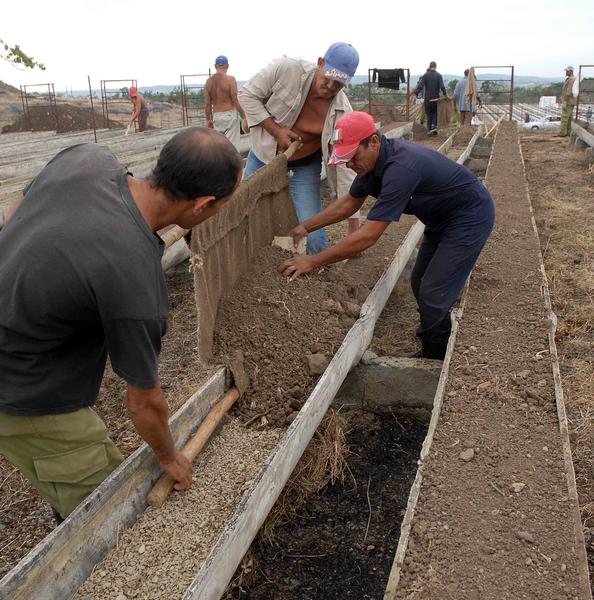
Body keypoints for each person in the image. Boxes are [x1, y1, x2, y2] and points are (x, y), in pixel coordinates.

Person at [0, 127, 242, 521]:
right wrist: (170, 457)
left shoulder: (88, 158)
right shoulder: (134, 279)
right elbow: (143, 403)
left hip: (18, 333)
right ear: (203, 205)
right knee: (102, 506)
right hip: (20, 383)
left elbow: (15, 209)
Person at [279, 111, 495, 360]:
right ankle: (434, 339)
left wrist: (313, 261)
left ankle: (437, 357)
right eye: (345, 160)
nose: (350, 165)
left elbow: (368, 236)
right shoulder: (370, 166)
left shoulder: (400, 168)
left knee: (433, 293)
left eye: (353, 157)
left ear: (373, 141)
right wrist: (305, 227)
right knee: (419, 281)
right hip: (441, 220)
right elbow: (349, 203)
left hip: (469, 217)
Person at [238, 42, 360, 254]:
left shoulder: (343, 113)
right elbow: (247, 95)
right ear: (320, 63)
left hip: (303, 166)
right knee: (244, 214)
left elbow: (345, 168)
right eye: (328, 79)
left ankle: (318, 271)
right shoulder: (287, 69)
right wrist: (276, 131)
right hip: (263, 156)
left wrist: (354, 230)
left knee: (312, 236)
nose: (330, 87)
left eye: (338, 84)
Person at [205, 55, 249, 151]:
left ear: (215, 66)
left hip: (216, 117)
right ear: (227, 66)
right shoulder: (230, 79)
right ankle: (234, 166)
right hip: (230, 117)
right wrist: (244, 116)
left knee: (220, 149)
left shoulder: (208, 82)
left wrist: (208, 120)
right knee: (232, 149)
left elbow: (207, 105)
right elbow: (235, 100)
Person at [414, 62, 447, 135]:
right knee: (435, 113)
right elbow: (442, 86)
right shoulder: (439, 76)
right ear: (436, 66)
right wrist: (445, 95)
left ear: (430, 66)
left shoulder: (425, 75)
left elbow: (420, 85)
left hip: (427, 98)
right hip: (435, 98)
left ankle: (429, 129)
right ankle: (434, 128)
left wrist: (416, 92)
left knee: (429, 114)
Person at [559, 66, 577, 137]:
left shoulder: (571, 79)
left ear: (571, 71)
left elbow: (568, 92)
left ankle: (562, 132)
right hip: (571, 101)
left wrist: (565, 102)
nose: (566, 72)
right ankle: (568, 132)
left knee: (564, 117)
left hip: (568, 101)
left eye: (567, 71)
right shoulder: (572, 79)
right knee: (569, 118)